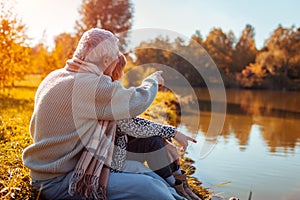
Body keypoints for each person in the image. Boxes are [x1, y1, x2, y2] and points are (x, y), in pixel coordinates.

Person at [22, 28, 196, 200]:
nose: (116, 63)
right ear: (106, 60)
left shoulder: (54, 76)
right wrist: (152, 81)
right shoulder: (88, 84)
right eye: (114, 59)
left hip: (53, 171)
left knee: (150, 177)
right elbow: (135, 101)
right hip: (60, 181)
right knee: (150, 188)